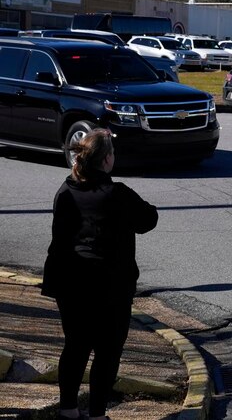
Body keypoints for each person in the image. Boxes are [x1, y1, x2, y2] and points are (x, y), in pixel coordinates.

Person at [41, 129, 158, 420]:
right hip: (109, 285)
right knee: (107, 351)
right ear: (106, 160)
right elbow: (148, 219)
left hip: (69, 282)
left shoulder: (65, 190)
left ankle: (68, 409)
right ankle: (96, 414)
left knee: (76, 345)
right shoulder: (116, 193)